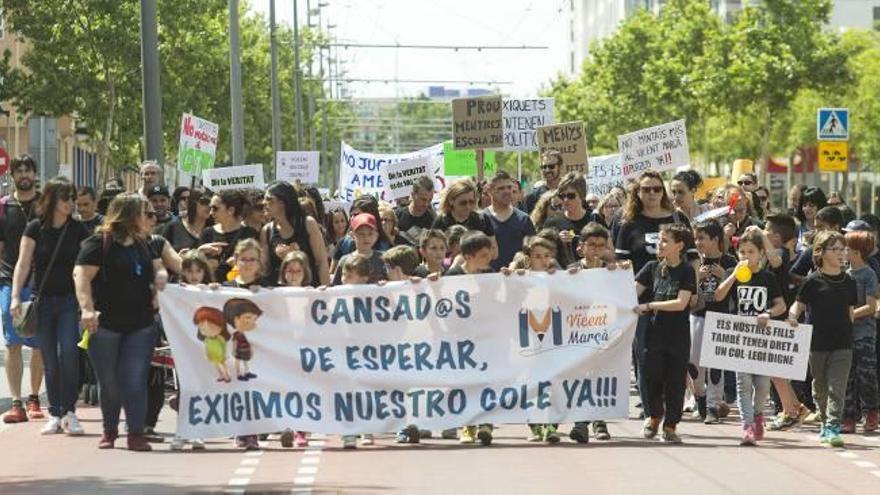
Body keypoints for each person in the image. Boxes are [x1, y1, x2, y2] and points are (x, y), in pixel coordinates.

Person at [74, 193, 167, 451]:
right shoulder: (98, 243)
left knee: (135, 378)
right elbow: (80, 276)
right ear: (129, 215)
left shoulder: (143, 243)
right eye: (144, 212)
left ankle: (136, 433)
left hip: (141, 323)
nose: (149, 217)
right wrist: (87, 310)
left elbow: (158, 267)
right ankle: (109, 430)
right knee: (110, 381)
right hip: (105, 325)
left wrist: (160, 279)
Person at [10, 177, 90, 435]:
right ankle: (55, 413)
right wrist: (14, 297)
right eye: (66, 197)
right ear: (53, 198)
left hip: (69, 301)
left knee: (69, 354)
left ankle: (70, 412)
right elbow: (23, 264)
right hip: (42, 301)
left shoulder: (78, 230)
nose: (71, 203)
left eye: (73, 198)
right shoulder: (34, 228)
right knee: (50, 360)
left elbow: (89, 264)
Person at [714, 230, 786, 446]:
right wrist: (734, 274)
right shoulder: (734, 274)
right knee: (743, 383)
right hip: (741, 338)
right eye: (742, 252)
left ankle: (757, 415)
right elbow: (718, 295)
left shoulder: (767, 277)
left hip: (762, 338)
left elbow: (780, 304)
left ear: (761, 253)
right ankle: (747, 426)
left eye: (751, 252)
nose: (746, 256)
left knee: (762, 384)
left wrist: (768, 313)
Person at [787, 230, 857, 447]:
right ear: (821, 252)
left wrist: (847, 330)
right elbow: (799, 304)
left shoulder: (849, 281)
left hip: (843, 344)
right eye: (834, 249)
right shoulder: (812, 281)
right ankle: (825, 422)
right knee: (820, 388)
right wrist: (792, 316)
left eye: (842, 249)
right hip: (817, 343)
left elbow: (851, 312)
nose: (840, 253)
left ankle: (834, 427)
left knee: (838, 387)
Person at [634, 223, 696, 444]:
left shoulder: (687, 270)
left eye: (665, 241)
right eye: (659, 240)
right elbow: (631, 291)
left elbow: (681, 303)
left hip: (677, 335)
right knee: (651, 378)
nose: (659, 244)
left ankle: (670, 425)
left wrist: (649, 306)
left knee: (675, 382)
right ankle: (653, 417)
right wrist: (614, 273)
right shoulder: (651, 267)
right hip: (653, 334)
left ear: (679, 246)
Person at [0, 155, 45, 424]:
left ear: (35, 174)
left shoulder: (45, 205)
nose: (24, 174)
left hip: (41, 283)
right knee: (13, 342)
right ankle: (16, 402)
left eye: (28, 169)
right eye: (19, 170)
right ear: (13, 175)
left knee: (38, 343)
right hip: (9, 281)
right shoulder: (4, 207)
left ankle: (35, 399)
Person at [443, 231, 495, 445]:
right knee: (465, 382)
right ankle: (467, 424)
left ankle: (486, 424)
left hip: (486, 338)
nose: (488, 258)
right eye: (483, 254)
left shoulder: (491, 275)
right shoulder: (453, 276)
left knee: (487, 381)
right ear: (468, 256)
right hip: (461, 340)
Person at [566, 222, 614, 443]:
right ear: (581, 247)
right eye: (592, 245)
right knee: (580, 377)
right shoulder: (571, 270)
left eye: (601, 245)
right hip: (577, 332)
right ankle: (580, 422)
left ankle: (599, 421)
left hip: (603, 331)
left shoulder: (611, 271)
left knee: (599, 375)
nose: (596, 249)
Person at [690, 220, 736, 424]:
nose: (698, 242)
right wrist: (695, 279)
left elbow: (741, 291)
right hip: (698, 316)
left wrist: (725, 275)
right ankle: (699, 396)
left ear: (715, 239)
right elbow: (686, 293)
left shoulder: (729, 262)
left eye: (702, 238)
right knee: (693, 362)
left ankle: (713, 405)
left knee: (716, 365)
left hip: (721, 317)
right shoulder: (694, 262)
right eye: (696, 238)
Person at [169, 251, 210, 451]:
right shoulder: (177, 291)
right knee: (184, 391)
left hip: (204, 350)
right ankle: (181, 432)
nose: (194, 275)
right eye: (189, 271)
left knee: (201, 390)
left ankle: (198, 432)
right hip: (183, 349)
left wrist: (213, 291)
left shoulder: (210, 291)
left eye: (198, 271)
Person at [336, 253, 376, 450]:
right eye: (344, 274)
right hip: (344, 351)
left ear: (364, 278)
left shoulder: (374, 296)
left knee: (366, 390)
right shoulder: (335, 295)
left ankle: (367, 428)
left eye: (350, 275)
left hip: (367, 352)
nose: (345, 279)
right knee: (347, 392)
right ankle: (348, 432)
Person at [842, 231, 879, 433]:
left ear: (856, 252)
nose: (843, 252)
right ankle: (848, 416)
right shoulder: (843, 274)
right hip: (845, 335)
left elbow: (871, 306)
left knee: (866, 375)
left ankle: (871, 412)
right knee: (847, 377)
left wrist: (850, 315)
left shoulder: (868, 274)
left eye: (846, 248)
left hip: (864, 334)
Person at [261, 181, 329, 287]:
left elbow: (321, 262)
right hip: (280, 297)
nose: (264, 203)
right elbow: (265, 269)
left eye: (269, 199)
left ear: (283, 202)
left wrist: (326, 293)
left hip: (310, 294)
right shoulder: (267, 231)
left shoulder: (308, 224)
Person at [277, 250, 313, 448]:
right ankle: (286, 426)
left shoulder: (310, 294)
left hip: (304, 350)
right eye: (289, 271)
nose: (293, 275)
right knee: (285, 389)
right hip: (283, 350)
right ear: (283, 272)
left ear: (304, 272)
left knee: (303, 391)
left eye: (298, 271)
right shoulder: (275, 294)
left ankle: (302, 430)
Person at [198, 189, 258, 282]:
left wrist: (238, 265)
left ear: (230, 210)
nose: (210, 213)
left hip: (238, 291)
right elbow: (197, 270)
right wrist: (200, 253)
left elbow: (257, 270)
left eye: (215, 208)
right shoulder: (207, 233)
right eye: (210, 208)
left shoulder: (249, 234)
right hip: (211, 290)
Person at [485, 171, 535, 271]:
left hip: (518, 279)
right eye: (501, 188)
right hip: (488, 280)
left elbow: (533, 252)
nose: (507, 191)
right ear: (489, 191)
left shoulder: (523, 219)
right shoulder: (481, 218)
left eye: (509, 187)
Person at [543, 173, 591, 261]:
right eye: (562, 196)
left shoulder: (594, 219)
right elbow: (541, 254)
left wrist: (589, 251)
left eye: (571, 196)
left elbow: (610, 252)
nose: (565, 200)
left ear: (582, 196)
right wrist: (557, 241)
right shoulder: (551, 223)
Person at [332, 213, 387, 285]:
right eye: (361, 234)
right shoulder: (344, 260)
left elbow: (397, 285)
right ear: (352, 235)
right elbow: (335, 288)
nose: (366, 238)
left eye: (370, 234)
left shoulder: (384, 259)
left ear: (376, 235)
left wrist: (387, 284)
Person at [432, 180, 496, 240]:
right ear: (451, 200)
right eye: (463, 203)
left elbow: (492, 246)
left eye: (471, 202)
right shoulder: (441, 222)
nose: (468, 206)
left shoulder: (482, 220)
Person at [162, 188, 211, 253]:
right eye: (204, 202)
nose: (209, 206)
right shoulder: (173, 226)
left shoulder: (214, 229)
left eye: (211, 202)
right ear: (192, 202)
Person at [395, 176, 436, 245]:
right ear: (413, 195)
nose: (426, 204)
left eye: (430, 200)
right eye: (423, 199)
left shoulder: (433, 219)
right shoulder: (397, 215)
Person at [523, 150, 563, 214]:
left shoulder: (570, 193)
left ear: (560, 167)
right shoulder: (533, 197)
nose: (547, 170)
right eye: (544, 167)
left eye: (551, 166)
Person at [796, 187, 827, 252]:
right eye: (804, 205)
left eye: (811, 205)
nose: (807, 209)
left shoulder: (828, 228)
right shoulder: (797, 228)